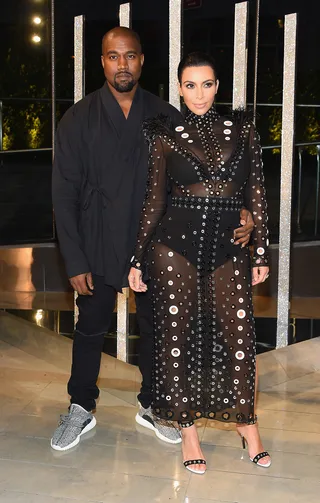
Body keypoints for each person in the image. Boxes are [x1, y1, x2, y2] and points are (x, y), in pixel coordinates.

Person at [51, 28, 255, 452]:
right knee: (90, 326)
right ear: (102, 62)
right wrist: (73, 259)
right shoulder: (78, 117)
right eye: (113, 56)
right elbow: (63, 193)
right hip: (96, 239)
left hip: (158, 243)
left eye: (130, 56)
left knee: (157, 329)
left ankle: (152, 404)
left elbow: (202, 179)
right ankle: (80, 406)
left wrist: (243, 212)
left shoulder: (165, 116)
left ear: (142, 61)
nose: (122, 64)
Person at [129, 52, 271, 475]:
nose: (199, 94)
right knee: (176, 339)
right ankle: (187, 430)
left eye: (207, 84)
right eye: (190, 85)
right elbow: (154, 198)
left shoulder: (243, 128)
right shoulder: (163, 132)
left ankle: (248, 425)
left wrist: (260, 247)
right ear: (179, 88)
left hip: (229, 247)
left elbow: (256, 191)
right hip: (173, 247)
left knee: (241, 338)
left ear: (218, 86)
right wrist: (137, 259)